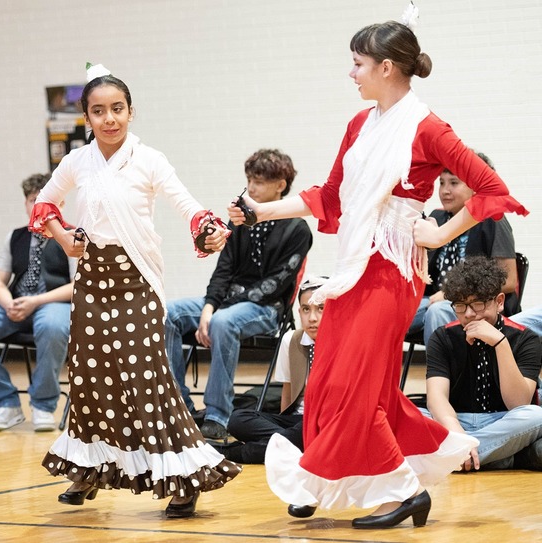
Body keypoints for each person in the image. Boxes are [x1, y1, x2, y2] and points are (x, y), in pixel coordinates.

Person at [231, 14, 527, 528]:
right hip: (353, 266)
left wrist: (436, 234)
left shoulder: (429, 128)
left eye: (358, 63)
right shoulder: (359, 126)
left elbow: (493, 191)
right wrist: (258, 211)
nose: (351, 74)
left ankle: (401, 489)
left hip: (391, 271)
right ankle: (326, 479)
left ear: (386, 67)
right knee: (328, 381)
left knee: (356, 386)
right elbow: (329, 196)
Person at [30, 62, 238, 519]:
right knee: (88, 382)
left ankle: (184, 477)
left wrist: (207, 228)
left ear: (131, 111)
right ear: (87, 117)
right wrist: (65, 238)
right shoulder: (76, 161)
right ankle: (89, 467)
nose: (109, 119)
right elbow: (45, 204)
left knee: (149, 380)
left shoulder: (149, 159)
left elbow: (185, 204)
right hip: (91, 282)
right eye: (99, 111)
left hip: (136, 281)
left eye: (117, 109)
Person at [164, 149, 312, 440]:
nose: (251, 187)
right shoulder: (240, 221)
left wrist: (217, 312)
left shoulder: (297, 228)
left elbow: (275, 286)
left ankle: (218, 416)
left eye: (259, 181)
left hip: (266, 309)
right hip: (228, 305)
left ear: (281, 185)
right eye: (249, 180)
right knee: (168, 313)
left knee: (223, 322)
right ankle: (179, 407)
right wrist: (209, 306)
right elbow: (224, 270)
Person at [0, 173, 73, 432]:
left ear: (61, 204)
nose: (38, 206)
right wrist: (9, 303)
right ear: (26, 204)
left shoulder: (72, 235)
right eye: (33, 200)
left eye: (46, 201)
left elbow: (79, 284)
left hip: (54, 303)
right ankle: (5, 402)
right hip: (17, 303)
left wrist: (36, 302)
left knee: (53, 326)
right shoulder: (15, 236)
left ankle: (43, 404)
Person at [423, 256, 542, 471]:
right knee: (407, 414)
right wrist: (458, 435)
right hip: (455, 421)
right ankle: (501, 458)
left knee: (536, 416)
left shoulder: (526, 338)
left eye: (477, 304)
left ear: (499, 302)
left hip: (503, 421)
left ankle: (453, 458)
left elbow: (519, 404)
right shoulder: (442, 337)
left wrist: (500, 343)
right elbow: (436, 398)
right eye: (460, 306)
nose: (469, 314)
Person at [408, 152, 518, 345]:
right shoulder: (438, 217)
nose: (445, 191)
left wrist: (452, 294)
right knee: (391, 311)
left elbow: (509, 281)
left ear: (476, 187)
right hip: (435, 299)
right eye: (441, 183)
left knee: (437, 310)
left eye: (454, 183)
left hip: (477, 304)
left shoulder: (493, 219)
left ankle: (440, 373)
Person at [224, 276, 326, 464]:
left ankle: (234, 453)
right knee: (237, 419)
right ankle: (293, 445)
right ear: (299, 311)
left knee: (315, 430)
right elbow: (287, 392)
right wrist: (286, 432)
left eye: (321, 309)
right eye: (306, 309)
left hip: (325, 422)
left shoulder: (344, 344)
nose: (312, 318)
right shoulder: (291, 340)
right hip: (296, 421)